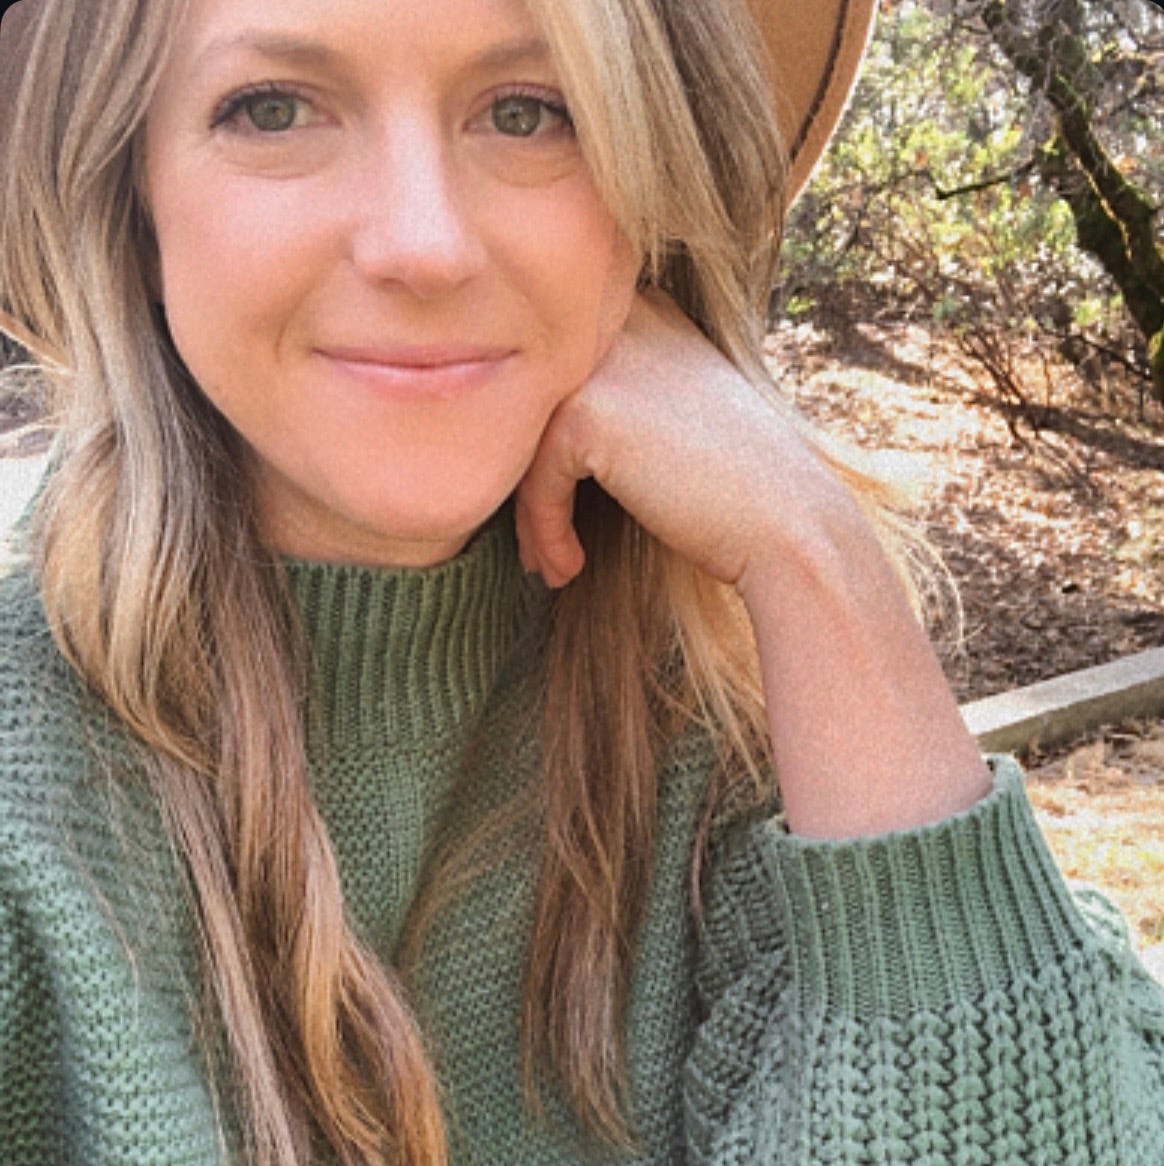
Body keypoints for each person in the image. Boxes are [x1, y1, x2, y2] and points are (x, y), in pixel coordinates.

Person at [1, 0, 1162, 1162]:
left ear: (646, 188)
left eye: (528, 111)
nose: (425, 243)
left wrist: (812, 552)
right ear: (129, 196)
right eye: (272, 108)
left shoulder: (750, 753)